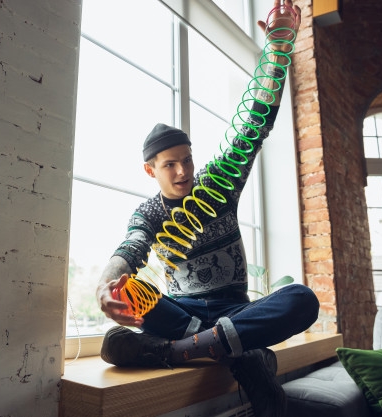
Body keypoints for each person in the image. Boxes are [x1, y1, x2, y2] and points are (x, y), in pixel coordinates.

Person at [95, 1, 319, 416]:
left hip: (236, 308)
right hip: (184, 312)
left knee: (302, 299)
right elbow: (129, 250)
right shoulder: (149, 213)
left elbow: (256, 123)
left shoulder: (219, 183)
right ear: (150, 170)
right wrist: (104, 286)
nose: (183, 171)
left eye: (187, 159)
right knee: (125, 304)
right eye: (170, 165)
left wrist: (276, 50)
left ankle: (177, 351)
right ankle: (241, 353)